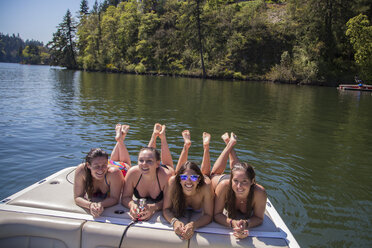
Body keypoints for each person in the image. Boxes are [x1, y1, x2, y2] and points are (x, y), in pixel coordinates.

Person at [213, 133, 267, 239]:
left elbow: (259, 218)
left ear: (252, 181)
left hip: (235, 177)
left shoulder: (259, 192)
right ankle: (229, 144)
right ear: (231, 180)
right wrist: (233, 223)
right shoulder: (224, 186)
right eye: (236, 181)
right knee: (213, 174)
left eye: (245, 181)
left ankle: (230, 143)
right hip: (222, 181)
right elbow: (217, 214)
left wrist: (246, 224)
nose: (239, 186)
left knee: (239, 170)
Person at [163, 131, 214, 240]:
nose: (189, 181)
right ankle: (186, 146)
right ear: (179, 180)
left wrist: (193, 225)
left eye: (194, 178)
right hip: (178, 179)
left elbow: (209, 215)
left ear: (199, 180)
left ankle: (206, 147)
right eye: (184, 178)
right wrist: (174, 222)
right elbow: (166, 209)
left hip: (203, 179)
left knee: (206, 174)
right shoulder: (173, 182)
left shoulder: (205, 185)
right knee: (178, 172)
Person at [122, 123, 174, 221]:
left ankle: (162, 138)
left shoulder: (166, 176)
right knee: (148, 154)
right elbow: (125, 197)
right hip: (153, 168)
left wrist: (153, 207)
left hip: (164, 170)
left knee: (169, 165)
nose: (144, 164)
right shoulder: (133, 173)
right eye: (140, 160)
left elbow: (169, 202)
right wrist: (132, 205)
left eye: (149, 161)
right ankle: (154, 135)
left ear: (157, 164)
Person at [74, 148, 124, 218]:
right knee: (112, 160)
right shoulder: (82, 171)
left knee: (125, 162)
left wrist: (101, 204)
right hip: (108, 164)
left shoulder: (114, 173)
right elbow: (77, 197)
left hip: (122, 169)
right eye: (96, 166)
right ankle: (119, 142)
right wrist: (90, 205)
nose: (100, 170)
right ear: (88, 165)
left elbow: (115, 198)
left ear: (107, 164)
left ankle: (120, 142)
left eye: (104, 165)